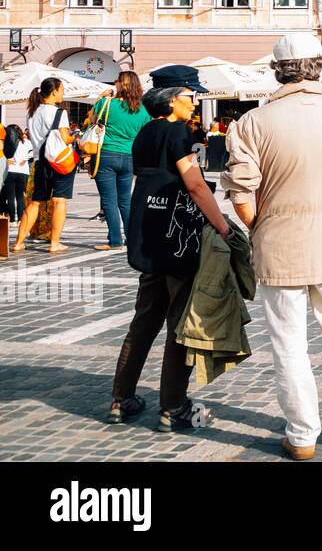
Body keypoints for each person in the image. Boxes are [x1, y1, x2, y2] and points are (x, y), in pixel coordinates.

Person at [221, 33, 322, 460]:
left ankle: (302, 436)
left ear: (277, 71)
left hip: (277, 248)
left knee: (288, 344)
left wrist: (264, 227)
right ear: (320, 67)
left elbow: (241, 195)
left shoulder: (252, 124)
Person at [109, 66, 230, 430]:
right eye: (191, 96)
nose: (195, 102)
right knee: (181, 323)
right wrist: (222, 225)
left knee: (144, 321)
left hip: (149, 233)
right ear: (172, 98)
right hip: (179, 239)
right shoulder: (178, 133)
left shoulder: (144, 132)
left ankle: (121, 398)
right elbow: (195, 185)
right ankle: (173, 406)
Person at [89, 71, 151, 253]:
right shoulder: (143, 109)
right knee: (125, 200)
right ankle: (133, 240)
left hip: (106, 155)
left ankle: (115, 240)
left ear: (121, 84)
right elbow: (145, 133)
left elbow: (91, 121)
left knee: (109, 201)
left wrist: (100, 97)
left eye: (116, 81)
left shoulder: (106, 104)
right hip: (130, 157)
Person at [13, 78, 76, 254]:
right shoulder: (59, 113)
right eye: (62, 90)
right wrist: (76, 135)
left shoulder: (32, 112)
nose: (63, 93)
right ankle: (54, 243)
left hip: (40, 161)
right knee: (59, 201)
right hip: (58, 161)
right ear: (54, 91)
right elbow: (65, 139)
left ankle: (19, 242)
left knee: (35, 203)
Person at [3, 126, 31, 224]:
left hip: (11, 171)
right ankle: (20, 219)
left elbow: (6, 155)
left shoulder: (9, 142)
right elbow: (32, 152)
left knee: (10, 197)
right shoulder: (27, 142)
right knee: (20, 197)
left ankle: (12, 220)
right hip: (23, 172)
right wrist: (25, 159)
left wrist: (10, 160)